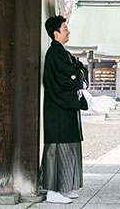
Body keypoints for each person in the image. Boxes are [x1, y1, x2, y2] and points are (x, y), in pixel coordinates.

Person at [41, 15, 88, 204]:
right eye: (65, 28)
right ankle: (53, 191)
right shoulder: (54, 53)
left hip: (66, 107)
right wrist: (78, 75)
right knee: (57, 149)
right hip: (58, 109)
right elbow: (69, 77)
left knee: (68, 148)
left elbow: (77, 71)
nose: (68, 31)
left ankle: (64, 187)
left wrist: (78, 74)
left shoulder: (62, 52)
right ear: (56, 33)